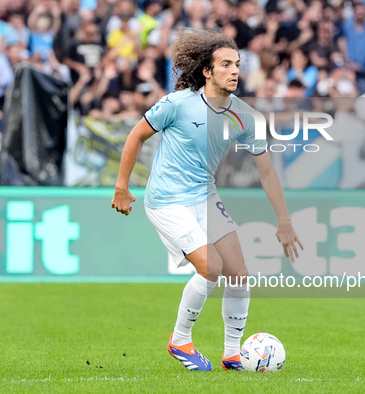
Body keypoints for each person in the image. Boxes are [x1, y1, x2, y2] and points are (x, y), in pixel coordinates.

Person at [111, 30, 302, 371]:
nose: (234, 71)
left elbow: (268, 173)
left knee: (240, 274)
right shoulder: (177, 104)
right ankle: (180, 340)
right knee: (211, 267)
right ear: (207, 72)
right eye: (226, 64)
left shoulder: (246, 117)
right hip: (167, 200)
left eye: (238, 65)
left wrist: (284, 220)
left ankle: (232, 355)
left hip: (204, 194)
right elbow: (136, 135)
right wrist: (122, 187)